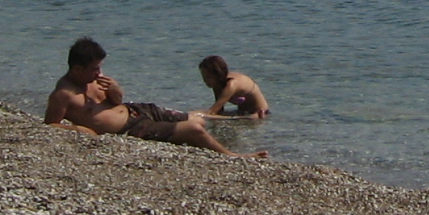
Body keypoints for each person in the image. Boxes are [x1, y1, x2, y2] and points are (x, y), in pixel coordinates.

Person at [43, 37, 265, 156]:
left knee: (198, 120)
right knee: (195, 129)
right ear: (78, 69)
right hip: (132, 129)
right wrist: (79, 130)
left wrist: (114, 89)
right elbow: (49, 126)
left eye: (100, 67)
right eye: (94, 69)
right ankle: (233, 156)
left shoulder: (95, 80)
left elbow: (117, 101)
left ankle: (224, 132)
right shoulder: (63, 94)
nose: (99, 73)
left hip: (138, 110)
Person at [194, 54, 270, 119]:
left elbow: (211, 112)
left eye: (208, 77)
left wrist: (193, 114)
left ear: (217, 75)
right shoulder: (218, 84)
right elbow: (218, 110)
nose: (204, 80)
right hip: (244, 114)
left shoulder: (231, 85)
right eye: (203, 77)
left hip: (259, 115)